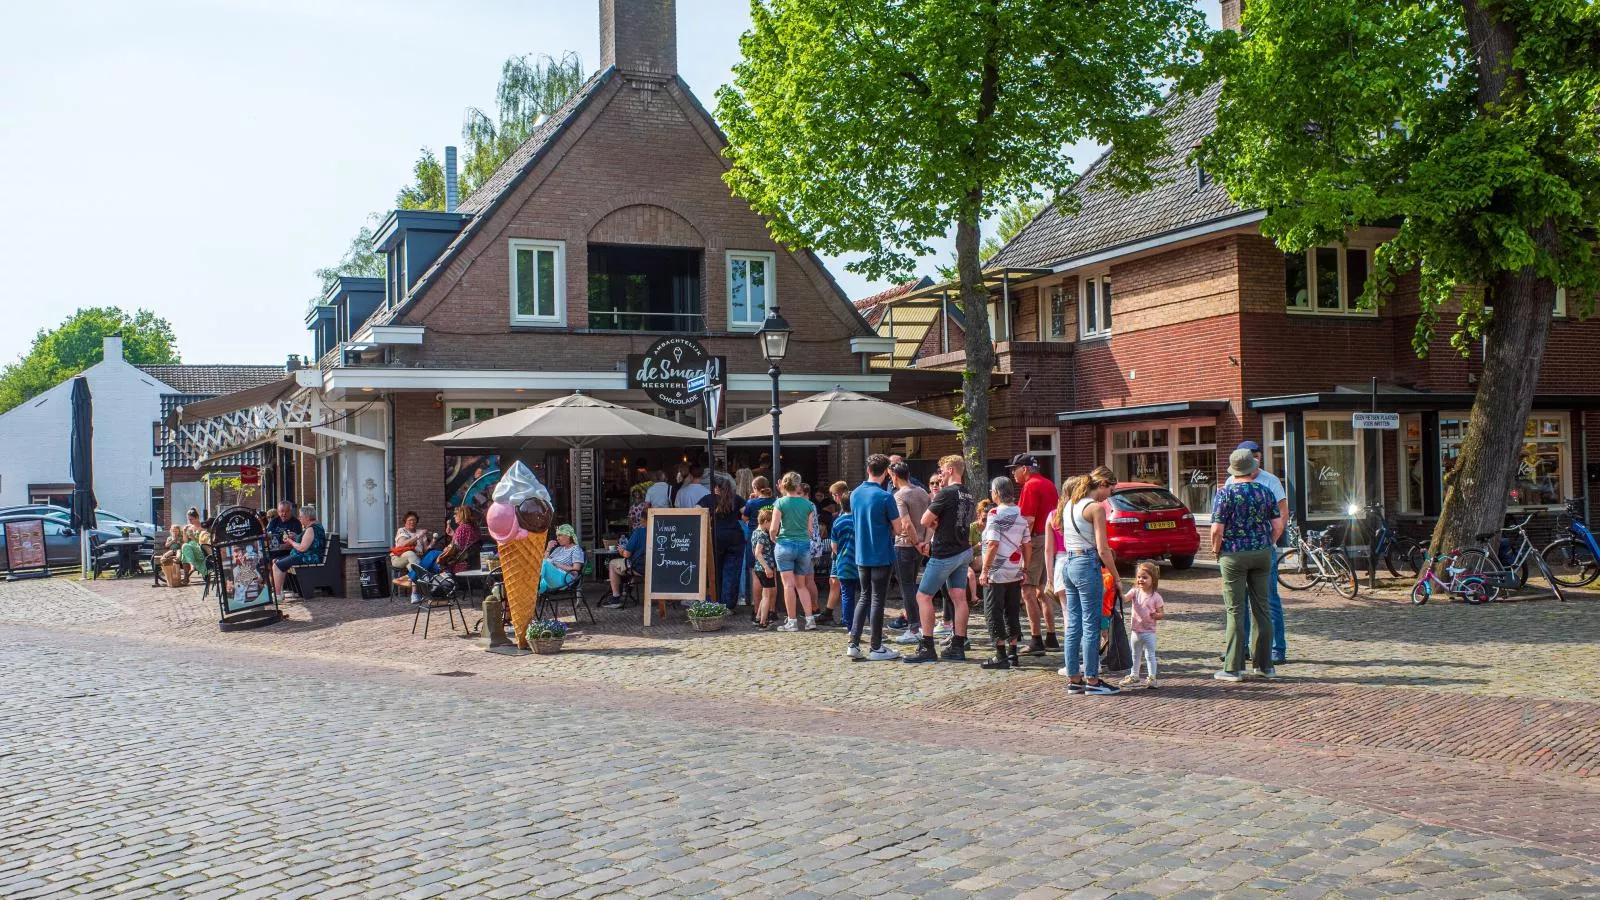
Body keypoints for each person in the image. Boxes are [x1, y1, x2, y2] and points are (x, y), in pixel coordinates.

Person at [1211, 448, 1283, 682]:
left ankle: (1233, 668)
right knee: (1262, 607)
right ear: (1252, 468)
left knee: (1235, 609)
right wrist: (1268, 542)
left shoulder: (1225, 494)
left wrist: (1216, 550)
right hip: (1262, 552)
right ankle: (1265, 666)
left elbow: (1216, 529)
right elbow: (1278, 524)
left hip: (1233, 554)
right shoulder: (1265, 491)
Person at [902, 455, 975, 663]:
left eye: (942, 470)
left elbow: (925, 520)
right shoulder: (968, 494)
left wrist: (935, 526)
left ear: (951, 470)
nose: (940, 474)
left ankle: (927, 646)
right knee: (959, 597)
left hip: (945, 552)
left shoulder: (946, 493)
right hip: (963, 550)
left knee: (923, 596)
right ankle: (958, 645)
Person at [1055, 469, 1121, 695]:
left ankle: (1074, 678)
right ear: (1102, 484)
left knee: (1073, 624)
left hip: (1069, 563)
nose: (1108, 496)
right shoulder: (1095, 508)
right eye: (1110, 490)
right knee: (1091, 624)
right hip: (1087, 564)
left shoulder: (1069, 505)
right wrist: (1117, 577)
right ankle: (1092, 679)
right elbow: (1103, 549)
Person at [1230, 440, 1289, 664]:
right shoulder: (1230, 481)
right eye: (1251, 455)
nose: (1256, 458)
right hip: (1238, 551)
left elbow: (1282, 514)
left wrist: (1271, 541)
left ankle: (1277, 649)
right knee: (1240, 600)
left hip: (1264, 550)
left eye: (1258, 454)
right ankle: (1242, 647)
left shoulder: (1270, 481)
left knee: (1269, 599)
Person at [848, 454, 904, 661]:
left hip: (861, 553)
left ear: (868, 469)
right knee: (878, 599)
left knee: (863, 596)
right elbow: (898, 528)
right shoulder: (885, 496)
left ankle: (853, 642)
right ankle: (876, 646)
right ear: (886, 473)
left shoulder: (854, 494)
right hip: (881, 552)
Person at [978, 477, 1030, 670]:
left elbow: (993, 543)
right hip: (1014, 570)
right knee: (1012, 611)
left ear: (996, 493)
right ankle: (1013, 653)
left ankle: (1000, 654)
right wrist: (1025, 568)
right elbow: (1027, 544)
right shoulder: (1020, 514)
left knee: (994, 611)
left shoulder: (994, 514)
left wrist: (985, 570)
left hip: (997, 572)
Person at [1011, 454, 1060, 655]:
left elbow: (1028, 520)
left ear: (1024, 469)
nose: (1012, 473)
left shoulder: (1030, 486)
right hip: (1049, 539)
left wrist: (1020, 544)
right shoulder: (1049, 484)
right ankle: (1051, 636)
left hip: (1035, 540)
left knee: (1028, 590)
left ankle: (1036, 640)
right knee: (1042, 590)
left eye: (1014, 469)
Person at [769, 472, 819, 631]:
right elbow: (810, 530)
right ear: (798, 485)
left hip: (785, 544)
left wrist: (776, 540)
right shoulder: (808, 505)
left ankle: (792, 621)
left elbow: (773, 529)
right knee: (802, 585)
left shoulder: (780, 503)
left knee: (788, 586)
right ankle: (810, 620)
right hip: (803, 545)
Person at [890, 461, 931, 645]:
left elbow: (906, 524)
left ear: (895, 476)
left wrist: (916, 543)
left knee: (906, 587)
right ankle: (918, 624)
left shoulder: (899, 495)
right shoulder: (922, 492)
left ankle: (914, 627)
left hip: (906, 545)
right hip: (921, 545)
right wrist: (925, 542)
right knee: (913, 585)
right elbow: (931, 521)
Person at [700, 474, 745, 612]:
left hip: (715, 538)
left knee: (714, 571)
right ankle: (728, 605)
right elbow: (746, 513)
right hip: (735, 538)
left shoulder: (708, 499)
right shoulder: (736, 499)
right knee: (731, 572)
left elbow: (696, 511)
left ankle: (714, 601)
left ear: (716, 488)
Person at [1119, 561, 1166, 689]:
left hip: (1149, 632)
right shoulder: (1135, 592)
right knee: (1134, 654)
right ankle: (1134, 675)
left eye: (1145, 577)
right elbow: (1125, 598)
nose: (1141, 580)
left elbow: (1162, 613)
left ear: (1153, 579)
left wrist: (1157, 615)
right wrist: (1119, 589)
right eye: (1139, 577)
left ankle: (1152, 677)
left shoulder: (1156, 597)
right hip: (1135, 631)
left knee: (1150, 655)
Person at [271, 504, 326, 598]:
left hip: (308, 557)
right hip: (309, 556)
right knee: (277, 562)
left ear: (307, 517)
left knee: (277, 566)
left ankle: (277, 595)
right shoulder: (316, 526)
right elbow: (308, 542)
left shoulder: (311, 529)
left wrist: (290, 542)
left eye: (301, 517)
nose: (299, 519)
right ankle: (279, 592)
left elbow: (302, 548)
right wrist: (296, 536)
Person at [742, 476, 776, 607]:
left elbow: (744, 517)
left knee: (756, 574)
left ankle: (757, 610)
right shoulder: (775, 502)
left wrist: (751, 500)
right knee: (772, 575)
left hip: (755, 539)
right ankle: (772, 610)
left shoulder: (752, 503)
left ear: (755, 488)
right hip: (772, 539)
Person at [827, 481, 858, 630]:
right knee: (867, 596)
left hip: (844, 562)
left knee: (847, 595)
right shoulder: (860, 521)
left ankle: (849, 626)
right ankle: (872, 626)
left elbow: (834, 546)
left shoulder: (838, 522)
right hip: (861, 561)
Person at [603, 521, 646, 608]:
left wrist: (621, 550)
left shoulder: (639, 532)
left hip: (639, 568)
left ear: (643, 520)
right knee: (637, 565)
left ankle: (616, 598)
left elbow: (627, 554)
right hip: (658, 567)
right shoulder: (661, 530)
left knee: (612, 564)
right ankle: (628, 589)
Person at [750, 507, 779, 628]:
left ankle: (758, 617)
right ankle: (763, 621)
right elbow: (757, 552)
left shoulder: (755, 532)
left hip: (758, 568)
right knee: (767, 596)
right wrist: (767, 567)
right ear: (766, 521)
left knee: (764, 595)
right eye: (771, 522)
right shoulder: (762, 535)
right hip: (765, 568)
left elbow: (754, 552)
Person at [541, 524, 586, 595]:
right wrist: (548, 549)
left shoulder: (576, 550)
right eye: (557, 536)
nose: (557, 538)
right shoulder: (558, 549)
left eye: (560, 535)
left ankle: (536, 582)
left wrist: (557, 564)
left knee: (545, 564)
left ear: (568, 536)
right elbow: (544, 562)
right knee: (532, 587)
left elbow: (576, 571)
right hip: (553, 578)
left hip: (566, 579)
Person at [390, 511, 428, 578]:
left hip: (415, 560)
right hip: (399, 559)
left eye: (414, 520)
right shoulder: (402, 530)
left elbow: (426, 551)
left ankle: (416, 584)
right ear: (405, 521)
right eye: (410, 520)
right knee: (410, 553)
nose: (412, 522)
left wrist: (433, 541)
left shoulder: (420, 532)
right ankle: (424, 577)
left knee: (412, 567)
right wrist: (418, 536)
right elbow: (403, 544)